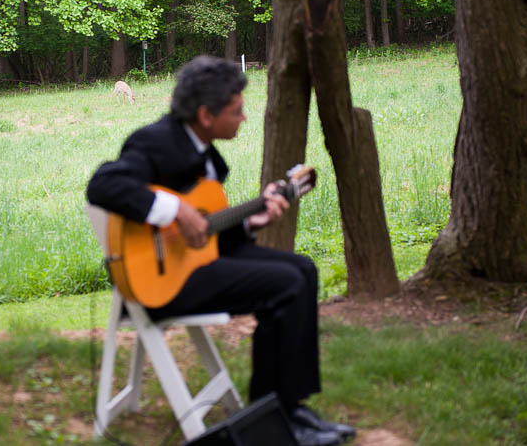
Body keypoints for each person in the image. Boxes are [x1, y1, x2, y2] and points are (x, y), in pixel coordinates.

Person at [86, 55, 355, 446]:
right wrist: (175, 211)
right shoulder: (156, 141)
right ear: (205, 115)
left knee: (303, 270)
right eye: (237, 110)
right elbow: (104, 185)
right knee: (285, 284)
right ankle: (274, 414)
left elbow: (208, 230)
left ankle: (289, 407)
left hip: (198, 263)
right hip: (162, 284)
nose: (244, 118)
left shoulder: (209, 156)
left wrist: (250, 221)